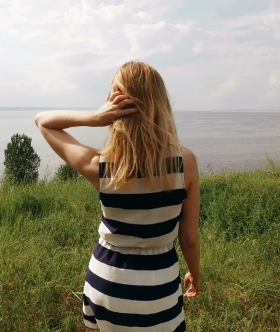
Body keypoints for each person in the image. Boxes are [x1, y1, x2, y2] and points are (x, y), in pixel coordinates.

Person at [35, 61, 200, 331]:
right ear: (160, 103)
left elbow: (43, 121)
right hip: (158, 287)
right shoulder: (186, 164)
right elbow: (189, 238)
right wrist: (195, 272)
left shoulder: (101, 166)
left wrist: (94, 117)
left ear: (115, 106)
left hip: (106, 282)